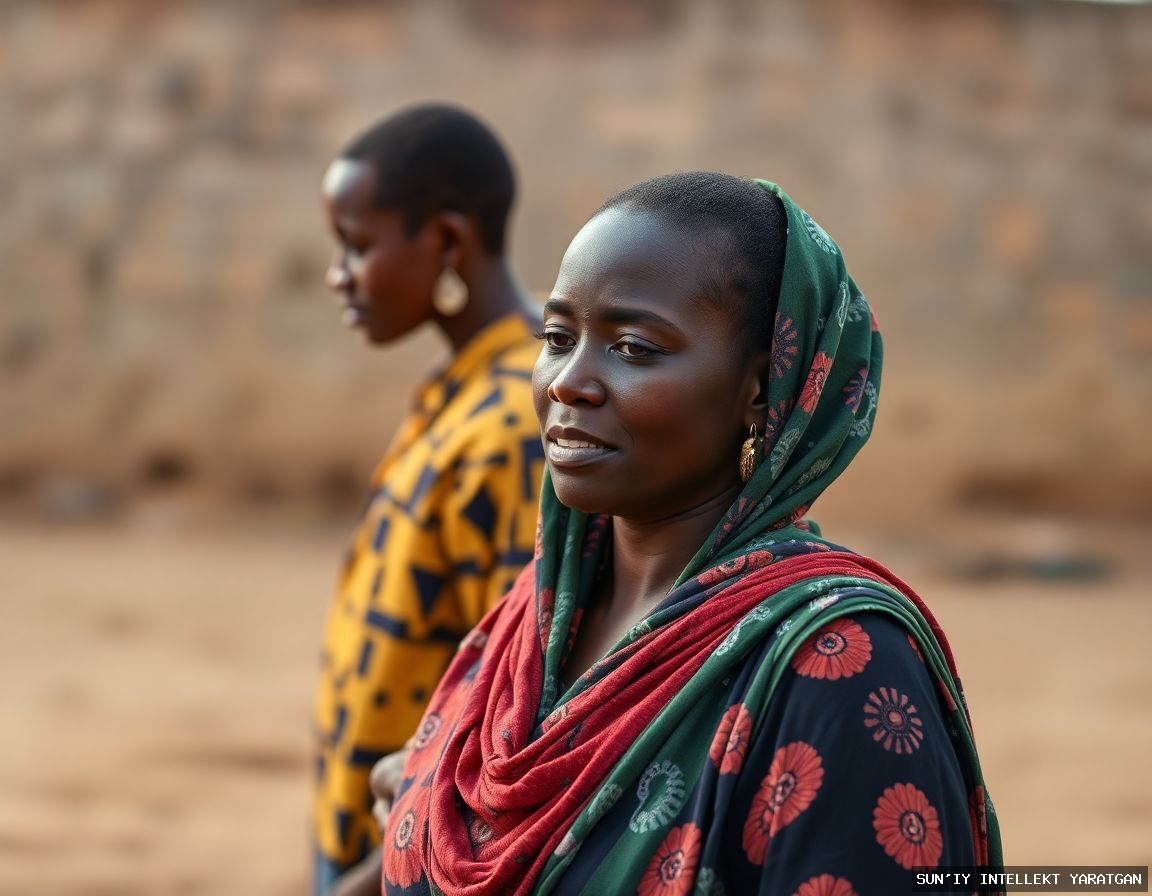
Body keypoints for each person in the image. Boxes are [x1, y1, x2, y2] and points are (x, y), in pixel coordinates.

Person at [371, 173, 1003, 895]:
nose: (567, 383)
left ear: (761, 392)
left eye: (635, 348)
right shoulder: (535, 617)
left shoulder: (838, 664)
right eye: (557, 337)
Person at [312, 104, 544, 896]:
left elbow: (515, 707)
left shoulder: (519, 420)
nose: (338, 273)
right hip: (370, 834)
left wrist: (374, 877)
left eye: (358, 245)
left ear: (447, 241)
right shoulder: (468, 389)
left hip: (419, 862)